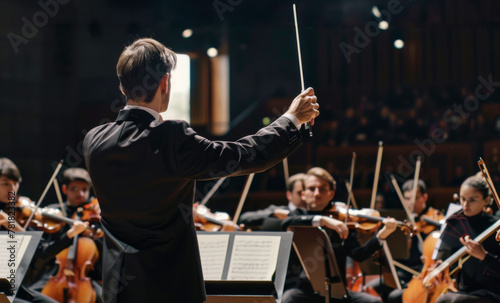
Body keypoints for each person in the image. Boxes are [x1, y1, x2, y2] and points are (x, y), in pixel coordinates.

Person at [82, 37, 319, 303]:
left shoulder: (94, 140)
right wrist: (292, 119)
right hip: (170, 288)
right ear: (164, 82)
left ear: (122, 87)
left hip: (118, 289)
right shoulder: (172, 138)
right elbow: (244, 154)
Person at [281, 167, 397, 303]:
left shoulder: (342, 220)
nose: (317, 194)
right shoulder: (298, 216)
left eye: (322, 189)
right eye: (312, 189)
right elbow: (286, 222)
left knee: (374, 302)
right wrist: (322, 219)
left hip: (337, 291)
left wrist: (382, 236)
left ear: (331, 194)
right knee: (288, 299)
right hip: (304, 291)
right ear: (303, 194)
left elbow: (359, 255)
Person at [0, 157, 83, 303]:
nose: (12, 189)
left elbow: (42, 253)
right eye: (6, 184)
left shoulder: (21, 213)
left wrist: (69, 235)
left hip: (12, 287)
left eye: (15, 184)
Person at [32, 167, 103, 303]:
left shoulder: (94, 213)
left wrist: (92, 233)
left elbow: (104, 246)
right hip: (56, 273)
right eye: (74, 189)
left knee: (103, 298)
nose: (80, 194)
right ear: (65, 190)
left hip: (88, 276)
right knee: (30, 295)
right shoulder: (55, 212)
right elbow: (46, 250)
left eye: (84, 189)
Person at [434, 176, 500, 303]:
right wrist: (442, 267)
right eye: (462, 198)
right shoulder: (455, 223)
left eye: (472, 200)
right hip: (466, 289)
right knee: (441, 300)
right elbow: (448, 257)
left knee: (457, 301)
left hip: (491, 291)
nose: (465, 204)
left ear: (486, 200)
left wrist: (484, 256)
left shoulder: (495, 226)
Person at [382, 179, 443, 303]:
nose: (410, 203)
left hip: (424, 272)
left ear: (424, 197)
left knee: (393, 296)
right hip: (406, 269)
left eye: (414, 198)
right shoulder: (408, 221)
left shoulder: (435, 220)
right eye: (407, 199)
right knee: (382, 284)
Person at [238, 172, 306, 229]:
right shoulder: (277, 210)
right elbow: (244, 218)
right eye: (300, 193)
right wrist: (273, 214)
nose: (304, 197)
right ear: (289, 195)